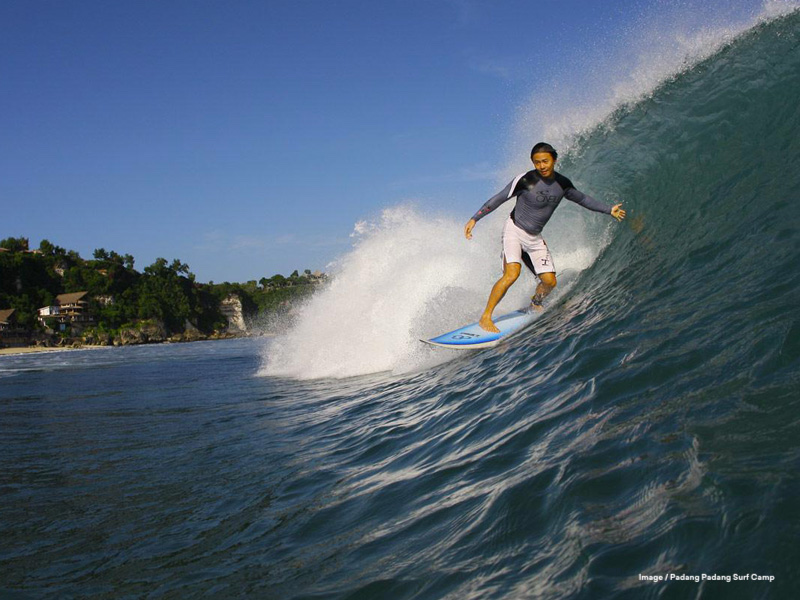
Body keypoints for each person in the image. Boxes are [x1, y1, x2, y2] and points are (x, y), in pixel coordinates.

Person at [464, 142, 626, 332]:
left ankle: (535, 302)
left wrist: (608, 210)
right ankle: (486, 317)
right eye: (537, 162)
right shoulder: (525, 180)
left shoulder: (562, 184)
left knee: (550, 282)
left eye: (545, 161)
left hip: (534, 237)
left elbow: (582, 199)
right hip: (514, 230)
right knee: (511, 274)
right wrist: (475, 218)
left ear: (554, 160)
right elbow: (499, 198)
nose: (541, 166)